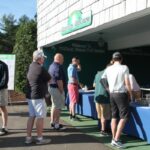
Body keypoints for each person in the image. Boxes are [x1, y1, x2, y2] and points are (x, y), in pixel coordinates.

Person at [101, 52, 132, 148]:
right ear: (121, 59)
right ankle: (116, 139)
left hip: (112, 94)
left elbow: (102, 79)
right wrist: (130, 94)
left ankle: (113, 139)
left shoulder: (108, 68)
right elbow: (127, 83)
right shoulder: (124, 67)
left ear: (113, 59)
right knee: (124, 117)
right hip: (121, 94)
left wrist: (108, 89)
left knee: (114, 117)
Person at [25, 50, 51, 145]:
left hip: (30, 95)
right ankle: (40, 139)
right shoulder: (40, 68)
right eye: (43, 58)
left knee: (31, 116)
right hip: (38, 96)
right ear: (39, 58)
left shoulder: (30, 66)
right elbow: (50, 79)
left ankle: (28, 138)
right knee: (40, 117)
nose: (43, 59)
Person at [48, 53, 66, 130]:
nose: (63, 60)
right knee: (58, 107)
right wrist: (61, 90)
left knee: (54, 106)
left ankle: (52, 122)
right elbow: (59, 80)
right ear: (59, 58)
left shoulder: (51, 66)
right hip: (57, 89)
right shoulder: (58, 67)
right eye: (62, 59)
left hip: (51, 88)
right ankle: (57, 125)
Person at [93, 70, 111, 136]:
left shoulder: (98, 74)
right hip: (105, 97)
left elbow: (94, 85)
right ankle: (103, 130)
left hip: (97, 97)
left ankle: (101, 128)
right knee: (104, 115)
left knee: (100, 114)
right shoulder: (108, 73)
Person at [0, 60, 9, 136]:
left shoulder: (3, 65)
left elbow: (4, 80)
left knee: (2, 108)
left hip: (1, 90)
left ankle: (4, 127)